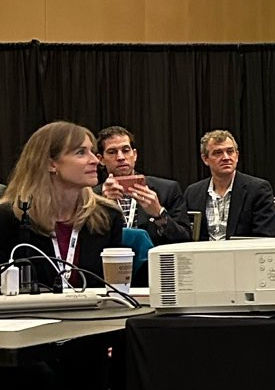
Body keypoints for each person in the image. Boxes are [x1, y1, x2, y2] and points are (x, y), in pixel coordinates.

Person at [0, 121, 123, 288]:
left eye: (92, 152)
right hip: (29, 313)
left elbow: (115, 288)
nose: (95, 160)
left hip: (94, 313)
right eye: (81, 153)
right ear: (51, 163)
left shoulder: (107, 216)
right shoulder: (10, 217)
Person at [94, 126, 192, 246]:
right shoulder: (92, 196)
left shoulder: (167, 189)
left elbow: (185, 240)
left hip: (153, 261)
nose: (120, 157)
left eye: (126, 150)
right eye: (112, 152)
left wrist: (159, 214)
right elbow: (87, 244)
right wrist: (103, 205)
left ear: (134, 155)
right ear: (101, 159)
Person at [182, 131, 275, 240]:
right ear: (205, 159)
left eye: (230, 151)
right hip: (203, 255)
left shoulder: (258, 190)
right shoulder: (193, 193)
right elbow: (186, 235)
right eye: (218, 153)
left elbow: (266, 237)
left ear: (237, 155)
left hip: (242, 255)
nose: (226, 157)